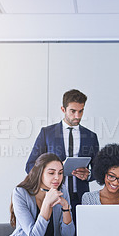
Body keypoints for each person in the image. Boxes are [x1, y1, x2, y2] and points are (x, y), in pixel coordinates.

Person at [25, 89, 99, 224]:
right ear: (63, 109)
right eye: (73, 111)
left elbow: (99, 170)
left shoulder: (91, 137)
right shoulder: (47, 133)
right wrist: (52, 170)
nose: (77, 115)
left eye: (81, 111)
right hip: (52, 197)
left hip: (80, 198)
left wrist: (88, 175)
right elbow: (30, 166)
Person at [2, 153, 75, 236]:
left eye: (60, 173)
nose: (57, 178)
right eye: (51, 173)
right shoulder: (20, 193)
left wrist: (66, 208)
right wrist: (46, 203)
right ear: (39, 173)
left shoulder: (62, 190)